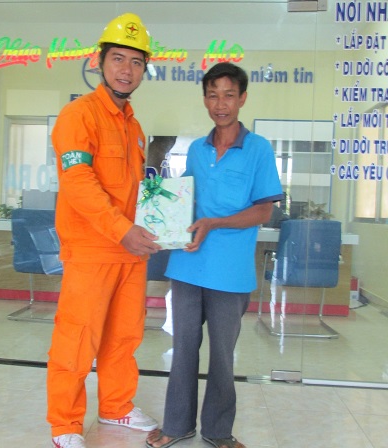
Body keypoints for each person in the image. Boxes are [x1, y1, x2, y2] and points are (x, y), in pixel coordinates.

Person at [146, 62, 283, 448]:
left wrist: (214, 223)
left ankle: (219, 431)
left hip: (230, 272)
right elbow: (187, 202)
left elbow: (263, 211)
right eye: (212, 95)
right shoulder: (196, 150)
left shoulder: (258, 149)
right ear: (205, 100)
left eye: (228, 95)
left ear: (242, 99)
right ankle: (177, 425)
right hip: (188, 266)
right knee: (183, 350)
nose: (220, 104)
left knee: (222, 356)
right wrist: (160, 217)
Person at [47, 12, 162, 448]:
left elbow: (135, 192)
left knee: (123, 337)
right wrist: (121, 229)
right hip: (93, 251)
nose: (126, 70)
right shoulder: (79, 115)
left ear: (144, 70)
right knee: (77, 340)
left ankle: (116, 406)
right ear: (99, 62)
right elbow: (78, 183)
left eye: (136, 62)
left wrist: (155, 223)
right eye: (118, 58)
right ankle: (65, 426)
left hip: (131, 252)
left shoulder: (134, 127)